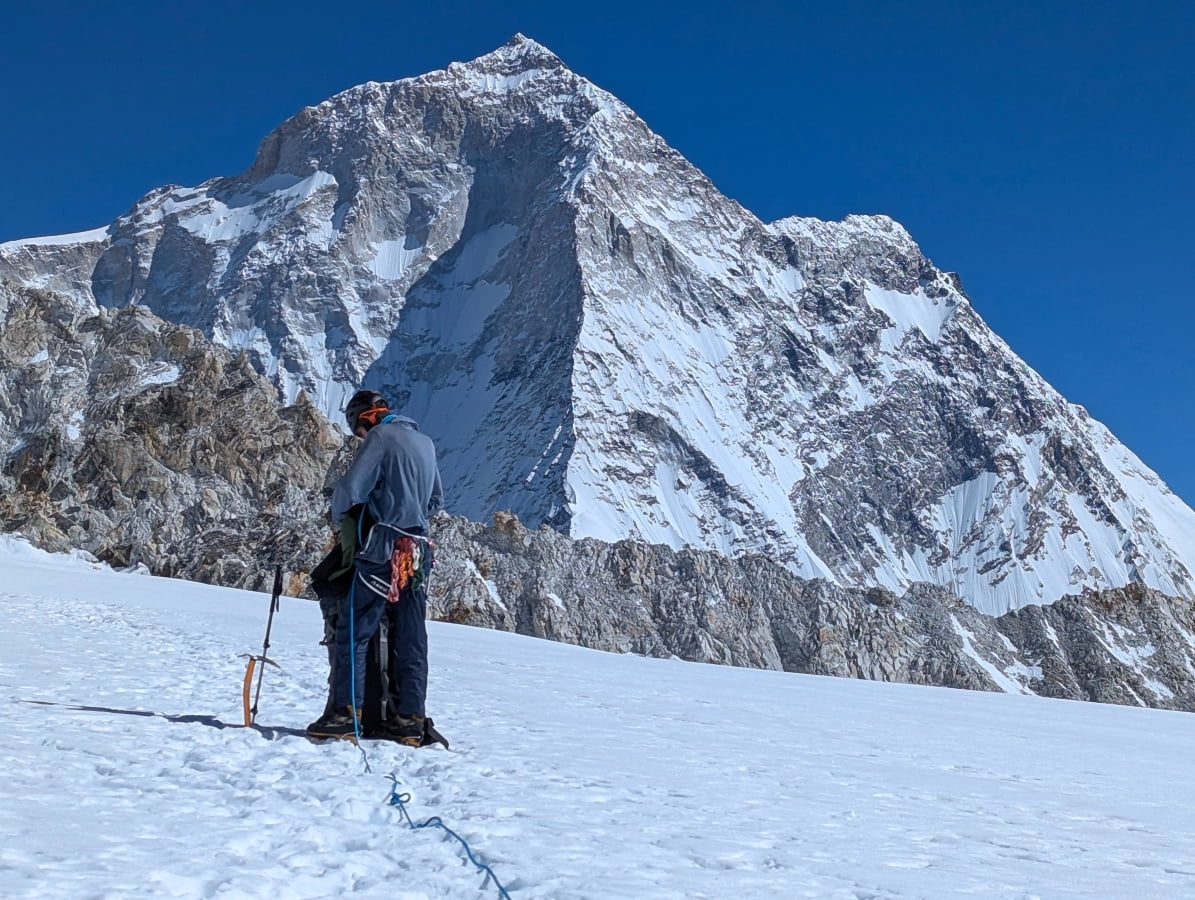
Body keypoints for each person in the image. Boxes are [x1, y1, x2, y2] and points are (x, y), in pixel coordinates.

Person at [306, 389, 443, 746]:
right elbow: (436, 500)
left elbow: (351, 489)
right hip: (417, 553)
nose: (360, 438)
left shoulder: (380, 437)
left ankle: (345, 712)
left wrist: (342, 521)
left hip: (382, 547)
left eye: (357, 432)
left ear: (364, 419)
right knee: (410, 636)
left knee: (356, 626)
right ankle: (409, 719)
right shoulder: (426, 441)